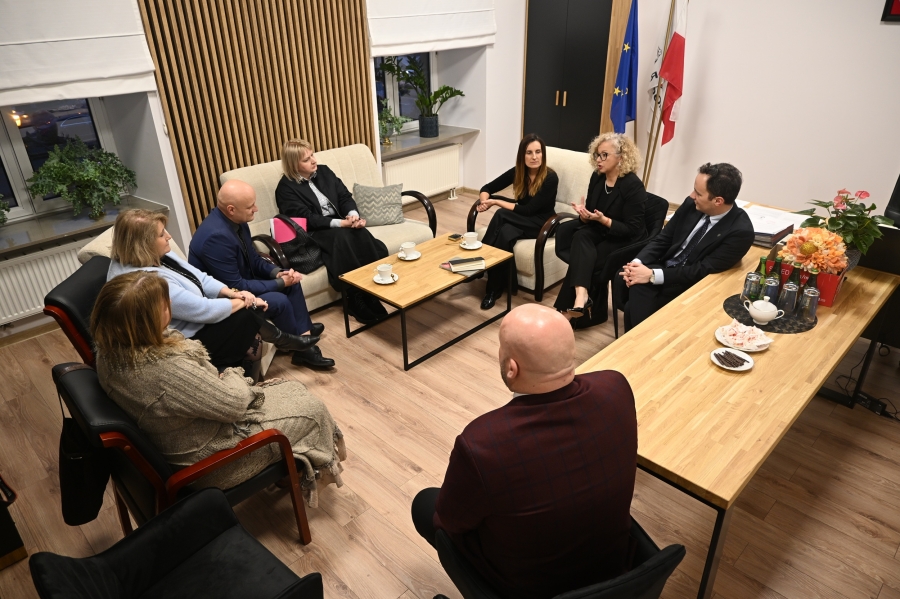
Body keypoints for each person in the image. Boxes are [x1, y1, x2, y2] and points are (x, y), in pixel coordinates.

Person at [411, 304, 637, 599]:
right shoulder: (616, 386)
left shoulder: (483, 443)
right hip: (615, 568)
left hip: (530, 589)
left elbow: (450, 521)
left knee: (425, 504)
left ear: (512, 368)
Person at [91, 272, 346, 507]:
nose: (169, 306)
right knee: (312, 408)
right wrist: (231, 372)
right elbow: (234, 404)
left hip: (183, 437)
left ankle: (290, 466)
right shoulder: (165, 369)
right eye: (164, 305)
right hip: (212, 461)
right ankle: (301, 472)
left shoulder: (109, 353)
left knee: (290, 389)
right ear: (146, 322)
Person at [107, 209, 318, 372]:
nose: (169, 236)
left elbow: (200, 277)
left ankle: (288, 338)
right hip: (189, 336)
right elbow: (202, 310)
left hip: (201, 317)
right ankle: (284, 340)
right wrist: (246, 300)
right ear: (144, 244)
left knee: (252, 308)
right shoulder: (146, 282)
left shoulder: (159, 254)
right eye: (162, 234)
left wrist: (233, 293)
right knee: (246, 315)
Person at [189, 180, 334, 369]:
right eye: (250, 206)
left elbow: (254, 259)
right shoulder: (214, 238)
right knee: (280, 299)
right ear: (231, 209)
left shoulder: (238, 221)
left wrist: (278, 273)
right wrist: (280, 283)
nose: (256, 209)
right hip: (229, 297)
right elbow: (236, 286)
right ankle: (302, 348)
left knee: (292, 281)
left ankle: (302, 331)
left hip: (244, 282)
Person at [619, 162, 755, 330]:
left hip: (690, 284)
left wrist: (652, 275)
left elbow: (701, 270)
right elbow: (664, 238)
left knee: (634, 299)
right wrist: (636, 264)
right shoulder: (692, 204)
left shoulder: (740, 232)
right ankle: (639, 341)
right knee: (632, 284)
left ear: (718, 201)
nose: (692, 195)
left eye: (698, 193)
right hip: (666, 266)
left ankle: (638, 339)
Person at [274, 139, 389, 325]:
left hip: (338, 223)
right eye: (306, 159)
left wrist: (353, 216)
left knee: (360, 233)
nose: (313, 160)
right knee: (341, 237)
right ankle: (353, 297)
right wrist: (340, 223)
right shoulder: (285, 188)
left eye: (312, 155)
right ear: (294, 164)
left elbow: (344, 196)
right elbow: (307, 219)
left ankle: (370, 291)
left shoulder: (324, 171)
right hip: (313, 232)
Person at [554, 133, 647, 325]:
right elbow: (591, 211)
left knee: (585, 259)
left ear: (621, 157)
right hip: (601, 229)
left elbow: (632, 229)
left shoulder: (633, 186)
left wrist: (603, 220)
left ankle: (567, 314)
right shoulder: (597, 177)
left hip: (625, 240)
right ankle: (581, 298)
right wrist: (584, 215)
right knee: (580, 236)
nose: (598, 160)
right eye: (597, 154)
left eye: (604, 155)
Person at [476, 133, 559, 310]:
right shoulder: (518, 172)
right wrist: (484, 201)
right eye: (529, 152)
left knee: (501, 214)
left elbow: (529, 210)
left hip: (543, 224)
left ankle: (480, 260)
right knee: (504, 234)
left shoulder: (550, 177)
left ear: (543, 154)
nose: (534, 157)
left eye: (538, 152)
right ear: (522, 155)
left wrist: (496, 202)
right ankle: (495, 290)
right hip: (523, 220)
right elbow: (487, 187)